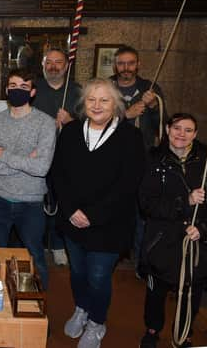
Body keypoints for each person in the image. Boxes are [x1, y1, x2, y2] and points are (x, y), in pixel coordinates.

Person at [52, 78, 145, 348]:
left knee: (99, 276)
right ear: (83, 104)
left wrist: (93, 214)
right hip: (72, 220)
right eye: (91, 99)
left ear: (116, 104)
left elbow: (129, 184)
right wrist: (71, 210)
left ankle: (97, 322)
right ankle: (82, 308)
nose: (97, 105)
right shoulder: (70, 132)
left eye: (104, 100)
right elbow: (59, 175)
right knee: (78, 272)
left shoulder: (130, 137)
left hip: (109, 225)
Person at [138, 113, 207, 348]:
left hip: (197, 241)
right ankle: (152, 329)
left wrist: (203, 228)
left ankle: (184, 333)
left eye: (188, 130)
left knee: (192, 292)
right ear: (168, 129)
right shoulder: (153, 160)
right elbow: (146, 203)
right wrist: (185, 201)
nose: (182, 134)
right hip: (161, 240)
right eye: (177, 128)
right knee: (156, 292)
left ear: (196, 134)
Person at [0, 67, 56, 289]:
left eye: (24, 87)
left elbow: (41, 168)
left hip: (31, 202)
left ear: (32, 92)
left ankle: (40, 308)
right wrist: (26, 160)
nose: (17, 90)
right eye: (13, 86)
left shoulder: (46, 123)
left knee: (35, 256)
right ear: (6, 90)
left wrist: (4, 155)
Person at [110, 45, 166, 273]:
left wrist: (153, 107)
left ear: (138, 64)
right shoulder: (106, 87)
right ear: (115, 65)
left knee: (141, 210)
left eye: (130, 63)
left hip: (141, 159)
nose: (126, 68)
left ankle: (140, 259)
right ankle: (112, 253)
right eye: (121, 63)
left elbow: (164, 124)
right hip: (111, 158)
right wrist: (125, 115)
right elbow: (92, 118)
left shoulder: (150, 89)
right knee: (113, 209)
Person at [33, 47, 82, 266]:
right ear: (43, 65)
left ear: (66, 66)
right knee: (39, 202)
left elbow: (91, 123)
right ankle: (37, 243)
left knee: (62, 202)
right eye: (49, 62)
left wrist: (71, 120)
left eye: (58, 62)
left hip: (68, 156)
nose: (53, 66)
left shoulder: (77, 90)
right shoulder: (34, 87)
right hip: (38, 154)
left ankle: (58, 244)